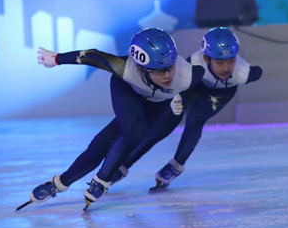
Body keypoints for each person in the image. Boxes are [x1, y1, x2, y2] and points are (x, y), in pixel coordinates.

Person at [26, 28, 205, 208]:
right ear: (142, 68)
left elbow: (201, 78)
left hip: (155, 104)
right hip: (127, 91)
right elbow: (92, 56)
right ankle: (87, 181)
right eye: (158, 71)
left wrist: (181, 97)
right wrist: (57, 58)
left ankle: (67, 182)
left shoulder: (188, 76)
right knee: (133, 132)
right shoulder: (126, 68)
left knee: (111, 141)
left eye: (169, 68)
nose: (167, 75)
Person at [110, 27, 263, 190]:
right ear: (206, 58)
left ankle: (176, 166)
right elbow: (178, 82)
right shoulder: (193, 64)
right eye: (219, 62)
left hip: (221, 92)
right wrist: (178, 97)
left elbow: (257, 72)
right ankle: (123, 165)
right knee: (160, 128)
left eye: (231, 61)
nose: (226, 68)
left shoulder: (243, 72)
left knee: (196, 119)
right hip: (192, 87)